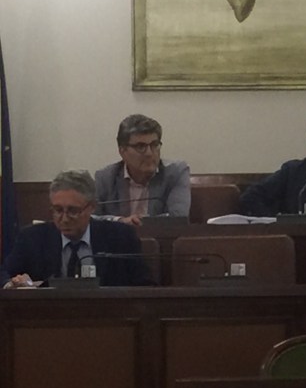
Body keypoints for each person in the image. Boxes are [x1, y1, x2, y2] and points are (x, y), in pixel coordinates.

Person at [2, 170, 154, 288]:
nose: (64, 218)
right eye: (58, 210)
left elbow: (144, 284)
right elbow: (3, 274)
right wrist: (12, 283)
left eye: (73, 211)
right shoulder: (32, 238)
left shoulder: (120, 237)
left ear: (92, 207)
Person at [94, 114, 191, 225]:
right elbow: (91, 219)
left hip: (160, 236)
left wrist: (138, 223)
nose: (149, 153)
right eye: (140, 147)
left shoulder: (175, 173)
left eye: (154, 145)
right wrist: (120, 221)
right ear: (122, 151)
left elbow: (178, 218)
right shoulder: (105, 178)